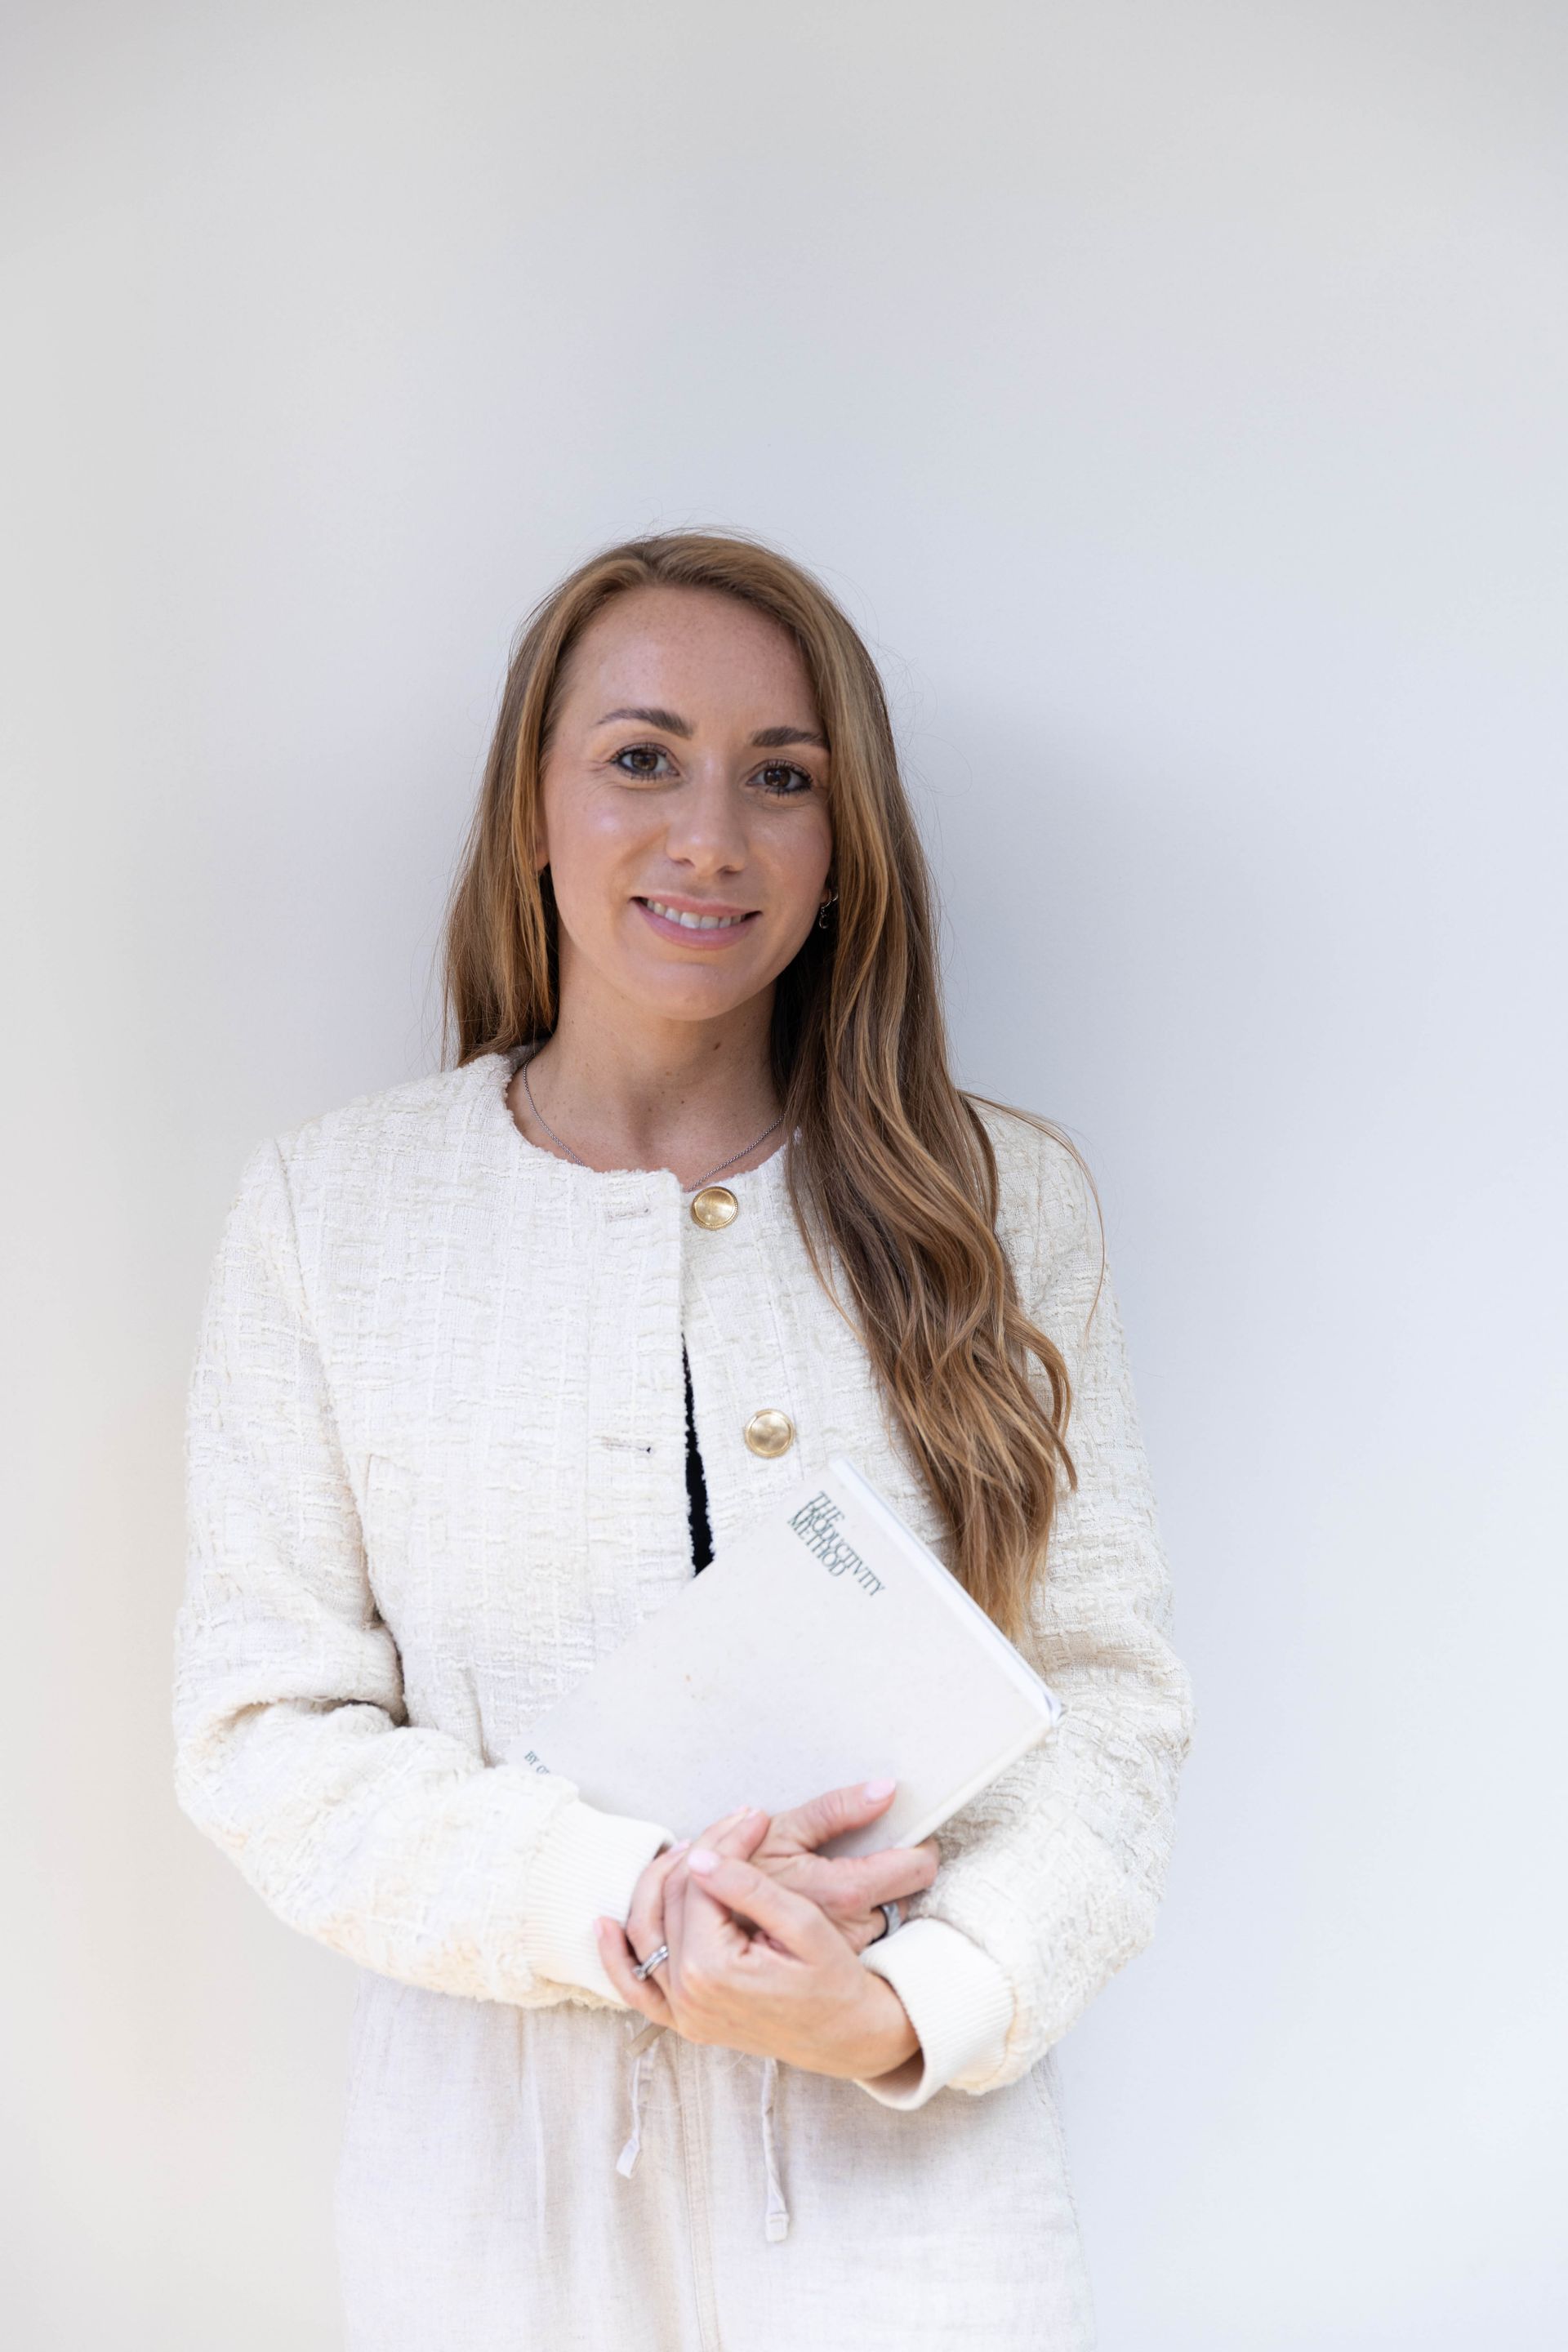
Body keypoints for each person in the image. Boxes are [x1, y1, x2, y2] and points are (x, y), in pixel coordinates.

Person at [173, 528, 1196, 2350]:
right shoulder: (334, 1216)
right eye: (642, 758)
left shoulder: (1001, 1202)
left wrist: (910, 2008)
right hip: (495, 2200)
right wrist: (623, 1904)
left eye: (780, 778)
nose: (709, 835)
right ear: (531, 812)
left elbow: (1107, 1705)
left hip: (915, 2200)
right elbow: (264, 1733)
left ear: (842, 848)